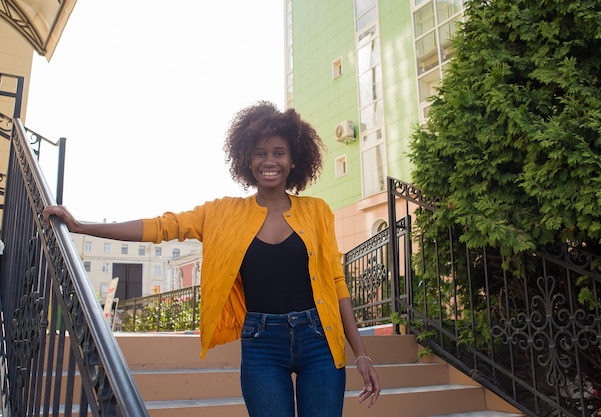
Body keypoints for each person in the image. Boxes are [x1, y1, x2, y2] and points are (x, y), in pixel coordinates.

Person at [43, 101, 380, 417]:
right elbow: (164, 226)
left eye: (279, 153)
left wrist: (361, 353)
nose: (269, 161)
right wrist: (83, 226)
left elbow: (337, 284)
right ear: (247, 159)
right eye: (260, 153)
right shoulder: (222, 213)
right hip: (262, 343)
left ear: (294, 160)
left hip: (319, 337)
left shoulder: (317, 211)